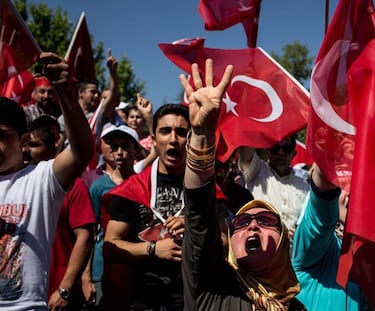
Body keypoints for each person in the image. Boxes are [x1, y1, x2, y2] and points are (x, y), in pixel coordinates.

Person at [181, 58, 305, 310]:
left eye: (267, 221)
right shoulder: (210, 290)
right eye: (241, 222)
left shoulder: (297, 307)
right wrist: (203, 135)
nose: (253, 226)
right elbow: (198, 215)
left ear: (282, 243)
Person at [0, 52, 93, 310]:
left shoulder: (40, 179)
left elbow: (82, 152)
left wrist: (65, 93)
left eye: (3, 135)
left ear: (24, 141)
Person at [102, 103, 190, 311]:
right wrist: (152, 249)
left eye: (181, 132)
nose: (173, 139)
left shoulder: (204, 187)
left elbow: (224, 242)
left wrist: (196, 226)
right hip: (146, 300)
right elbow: (110, 246)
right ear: (154, 138)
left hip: (195, 297)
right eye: (165, 131)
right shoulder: (133, 188)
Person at [291, 164, 375, 310]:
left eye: (363, 186)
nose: (354, 193)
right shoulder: (313, 243)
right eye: (345, 184)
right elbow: (323, 198)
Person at [88, 124, 142, 310]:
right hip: (103, 269)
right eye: (114, 147)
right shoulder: (98, 187)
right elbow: (90, 233)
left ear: (137, 150)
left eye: (125, 146)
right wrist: (86, 275)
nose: (119, 152)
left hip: (139, 270)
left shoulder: (145, 185)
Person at [237, 135, 309, 239]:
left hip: (292, 250)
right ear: (267, 151)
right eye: (275, 148)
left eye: (286, 148)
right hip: (260, 247)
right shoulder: (256, 171)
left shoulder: (304, 185)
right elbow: (245, 140)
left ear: (293, 154)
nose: (280, 152)